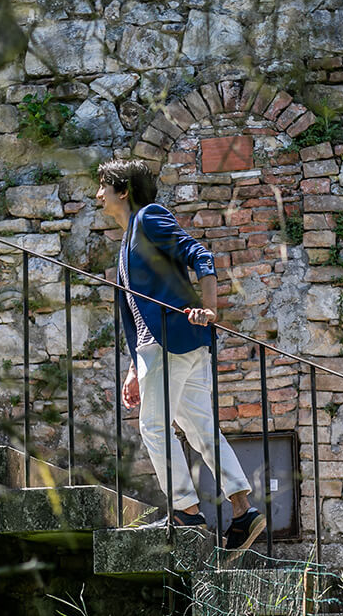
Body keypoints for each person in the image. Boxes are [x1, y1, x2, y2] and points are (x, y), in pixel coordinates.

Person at [95, 158, 265, 552]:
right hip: (168, 346)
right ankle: (243, 511)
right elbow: (137, 311)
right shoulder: (127, 239)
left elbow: (199, 255)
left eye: (103, 185)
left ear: (124, 191)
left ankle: (186, 512)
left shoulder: (149, 218)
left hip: (170, 341)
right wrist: (134, 367)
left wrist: (209, 308)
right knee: (201, 428)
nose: (97, 194)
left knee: (153, 428)